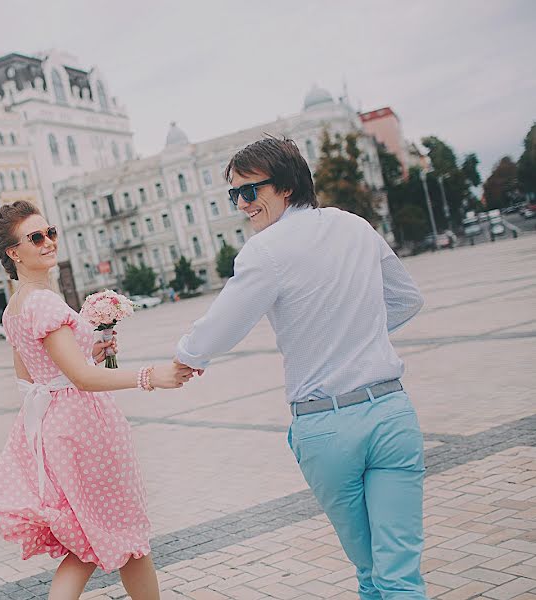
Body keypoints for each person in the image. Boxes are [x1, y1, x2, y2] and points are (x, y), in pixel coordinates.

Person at [175, 138, 426, 599]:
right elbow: (407, 300)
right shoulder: (355, 226)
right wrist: (358, 330)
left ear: (286, 187)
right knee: (400, 574)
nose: (242, 205)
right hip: (391, 413)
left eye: (249, 192)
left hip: (327, 426)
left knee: (372, 572)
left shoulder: (264, 251)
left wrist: (185, 357)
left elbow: (220, 330)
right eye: (234, 196)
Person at [0, 201, 193, 600]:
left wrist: (89, 355)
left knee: (102, 536)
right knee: (112, 533)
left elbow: (31, 378)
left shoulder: (16, 307)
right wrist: (151, 376)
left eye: (50, 232)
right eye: (35, 237)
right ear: (14, 253)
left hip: (59, 428)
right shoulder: (43, 302)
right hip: (84, 429)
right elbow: (80, 379)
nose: (48, 242)